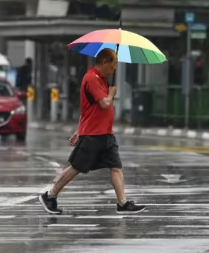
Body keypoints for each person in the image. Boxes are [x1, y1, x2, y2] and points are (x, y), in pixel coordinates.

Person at [38, 48, 146, 215]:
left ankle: (122, 203)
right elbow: (103, 104)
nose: (115, 68)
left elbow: (88, 109)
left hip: (106, 134)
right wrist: (111, 94)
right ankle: (50, 196)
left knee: (116, 167)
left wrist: (79, 129)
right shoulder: (92, 78)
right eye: (113, 64)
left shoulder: (102, 79)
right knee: (76, 168)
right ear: (104, 62)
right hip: (93, 135)